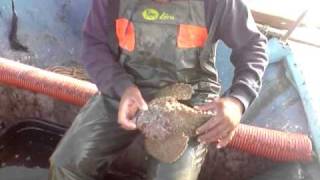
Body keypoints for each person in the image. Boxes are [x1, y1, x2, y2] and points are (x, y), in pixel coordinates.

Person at [49, 0, 268, 179]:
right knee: (65, 165)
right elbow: (94, 44)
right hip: (126, 88)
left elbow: (253, 46)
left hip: (191, 96)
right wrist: (121, 86)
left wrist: (237, 102)